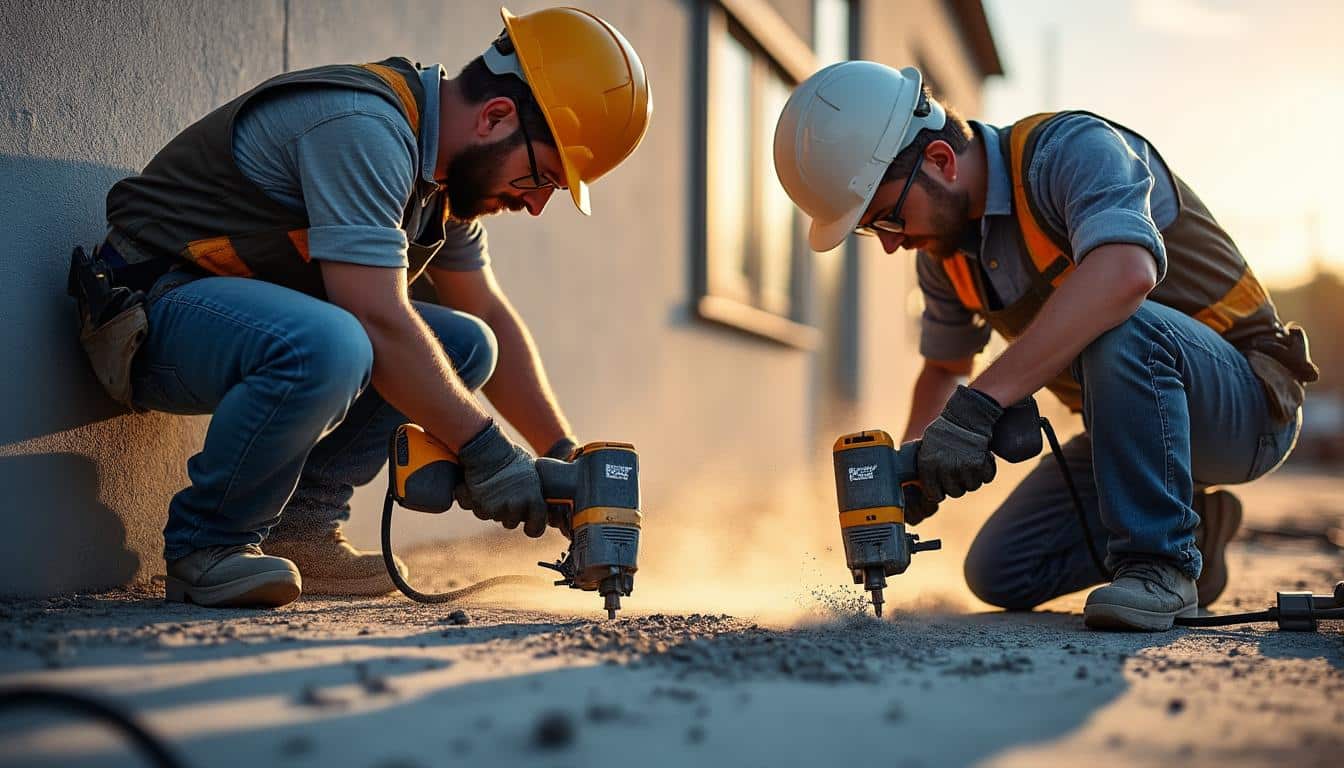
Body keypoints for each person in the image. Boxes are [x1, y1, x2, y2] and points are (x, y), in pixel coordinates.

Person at [85, 7, 651, 607]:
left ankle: (300, 529)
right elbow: (377, 318)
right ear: (496, 117)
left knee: (465, 345)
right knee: (340, 343)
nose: (536, 205)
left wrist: (565, 464)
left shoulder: (440, 187)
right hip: (148, 317)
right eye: (543, 178)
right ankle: (207, 545)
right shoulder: (364, 129)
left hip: (239, 323)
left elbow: (487, 318)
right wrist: (487, 453)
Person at [773, 62, 1316, 630]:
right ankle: (1196, 528)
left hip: (1247, 405)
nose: (891, 245)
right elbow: (944, 370)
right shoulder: (944, 254)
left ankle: (1162, 566)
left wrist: (981, 406)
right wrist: (912, 470)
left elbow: (1126, 272)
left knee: (1119, 323)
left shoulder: (1069, 151)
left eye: (887, 218)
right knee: (1001, 571)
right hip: (1133, 431)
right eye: (872, 230)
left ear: (941, 161)